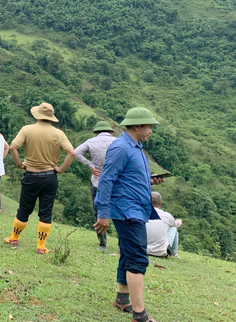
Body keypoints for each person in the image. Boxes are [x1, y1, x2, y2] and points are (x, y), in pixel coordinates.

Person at [94, 107, 165, 322]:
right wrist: (103, 212)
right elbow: (106, 180)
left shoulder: (135, 147)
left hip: (136, 208)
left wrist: (149, 180)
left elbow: (127, 176)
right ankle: (139, 314)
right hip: (126, 210)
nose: (151, 131)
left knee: (128, 254)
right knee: (137, 258)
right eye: (149, 126)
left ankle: (123, 299)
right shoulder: (121, 148)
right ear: (137, 126)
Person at [4, 102, 76, 254]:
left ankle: (14, 238)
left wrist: (20, 164)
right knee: (46, 212)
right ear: (51, 117)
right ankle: (41, 246)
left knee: (24, 209)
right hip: (50, 177)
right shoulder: (59, 134)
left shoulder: (27, 130)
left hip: (31, 176)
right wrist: (61, 169)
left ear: (37, 115)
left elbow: (12, 147)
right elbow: (71, 153)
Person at [74, 120, 117, 252]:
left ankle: (102, 244)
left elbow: (76, 153)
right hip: (116, 182)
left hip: (97, 181)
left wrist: (91, 166)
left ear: (97, 132)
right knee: (120, 213)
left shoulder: (90, 141)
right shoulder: (117, 141)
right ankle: (122, 245)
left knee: (97, 212)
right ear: (110, 131)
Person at [146, 192, 182, 259]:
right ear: (160, 204)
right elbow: (175, 225)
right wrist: (179, 222)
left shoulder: (141, 213)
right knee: (174, 228)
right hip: (161, 252)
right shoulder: (167, 216)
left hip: (141, 249)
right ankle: (174, 253)